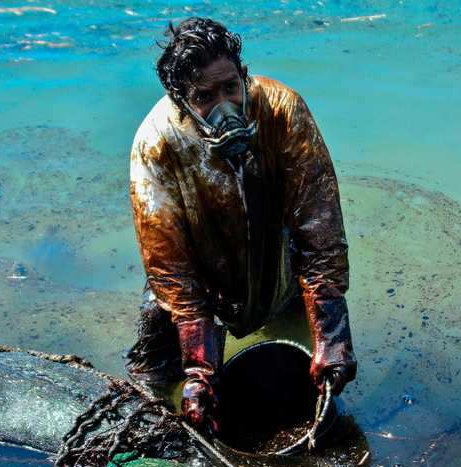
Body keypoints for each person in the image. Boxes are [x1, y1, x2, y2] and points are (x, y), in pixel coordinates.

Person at [125, 17, 356, 431]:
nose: (225, 106)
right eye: (205, 96)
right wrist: (200, 372)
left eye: (231, 87)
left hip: (275, 263)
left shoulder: (283, 110)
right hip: (193, 282)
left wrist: (333, 338)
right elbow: (169, 265)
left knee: (307, 370)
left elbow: (318, 226)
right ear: (180, 99)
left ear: (243, 76)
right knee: (153, 386)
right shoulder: (155, 143)